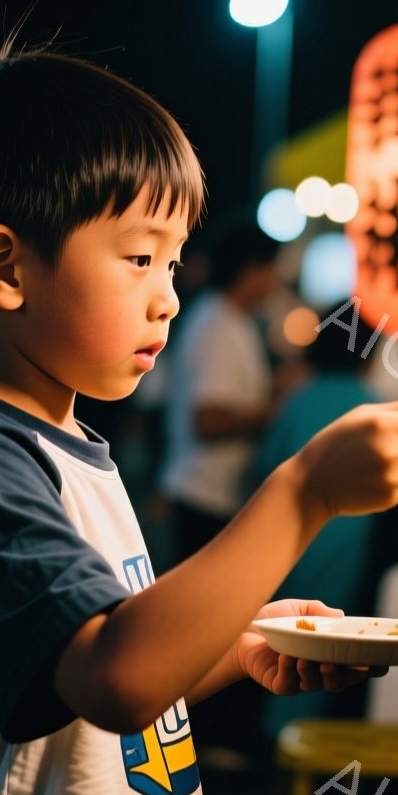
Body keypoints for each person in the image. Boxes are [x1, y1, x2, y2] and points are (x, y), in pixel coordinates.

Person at [0, 45, 398, 795]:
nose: (168, 299)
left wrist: (243, 643)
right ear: (4, 268)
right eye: (140, 257)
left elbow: (92, 671)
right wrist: (304, 491)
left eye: (173, 264)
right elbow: (114, 676)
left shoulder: (65, 443)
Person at [255, 319, 384, 738]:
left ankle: (276, 740)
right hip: (348, 537)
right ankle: (307, 742)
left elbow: (265, 465)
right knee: (329, 641)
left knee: (284, 634)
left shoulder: (298, 399)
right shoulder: (373, 408)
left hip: (286, 536)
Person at [159, 225, 284, 558]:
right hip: (203, 492)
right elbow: (207, 421)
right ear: (251, 270)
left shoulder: (231, 319)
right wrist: (272, 411)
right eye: (272, 269)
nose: (275, 280)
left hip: (213, 491)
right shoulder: (217, 323)